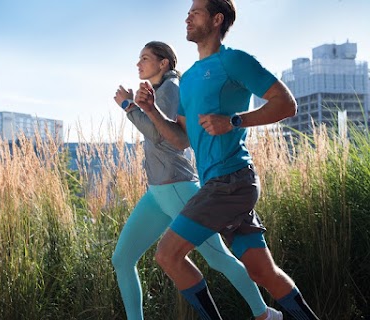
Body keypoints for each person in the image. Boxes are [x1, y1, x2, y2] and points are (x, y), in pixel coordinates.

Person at [134, 1, 321, 320]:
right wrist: (151, 110)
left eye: (196, 11)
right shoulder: (190, 78)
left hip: (231, 181)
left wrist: (234, 121)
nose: (187, 17)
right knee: (264, 273)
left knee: (168, 255)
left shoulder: (234, 61)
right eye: (188, 12)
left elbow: (286, 105)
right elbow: (181, 140)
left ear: (217, 19)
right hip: (219, 184)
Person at [112, 41, 282, 320]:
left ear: (164, 63)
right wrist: (137, 106)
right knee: (122, 259)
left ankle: (264, 314)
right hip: (157, 192)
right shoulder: (157, 91)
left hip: (178, 187)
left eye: (144, 58)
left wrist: (129, 107)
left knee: (219, 258)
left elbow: (164, 137)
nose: (138, 64)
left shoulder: (171, 89)